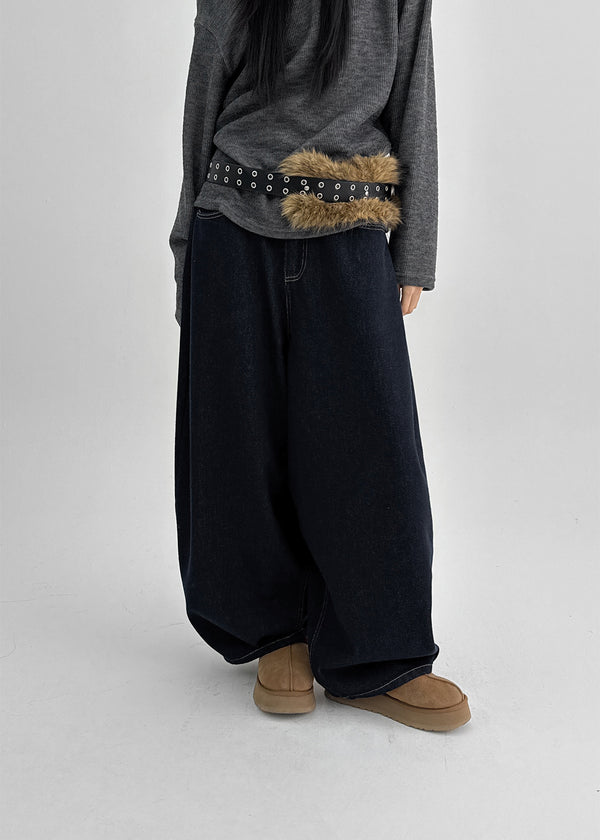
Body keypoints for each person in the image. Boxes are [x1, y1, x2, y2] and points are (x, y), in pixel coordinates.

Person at [169, 0, 471, 732]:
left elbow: (414, 92)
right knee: (239, 447)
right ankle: (275, 635)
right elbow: (203, 95)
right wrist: (187, 248)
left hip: (351, 224)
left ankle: (380, 654)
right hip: (232, 222)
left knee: (372, 449)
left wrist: (415, 252)